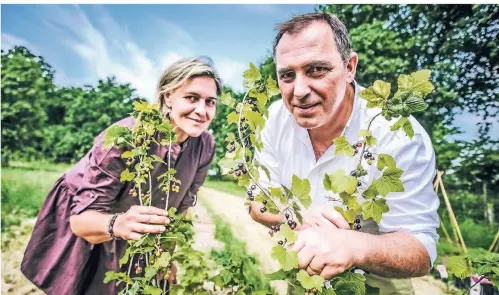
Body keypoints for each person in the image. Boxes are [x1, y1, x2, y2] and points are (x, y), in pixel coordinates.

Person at [248, 12, 440, 295]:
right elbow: (257, 201)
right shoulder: (274, 120)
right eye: (287, 75)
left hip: (375, 284)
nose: (299, 91)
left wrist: (353, 245)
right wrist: (299, 216)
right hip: (304, 278)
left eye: (316, 70)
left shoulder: (396, 134)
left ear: (350, 67)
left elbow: (421, 249)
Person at [21, 56, 222, 295]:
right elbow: (81, 221)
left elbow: (179, 210)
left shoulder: (205, 145)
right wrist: (116, 223)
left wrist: (165, 257)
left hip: (132, 226)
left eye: (210, 102)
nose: (202, 110)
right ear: (168, 96)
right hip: (92, 218)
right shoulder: (127, 136)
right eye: (191, 98)